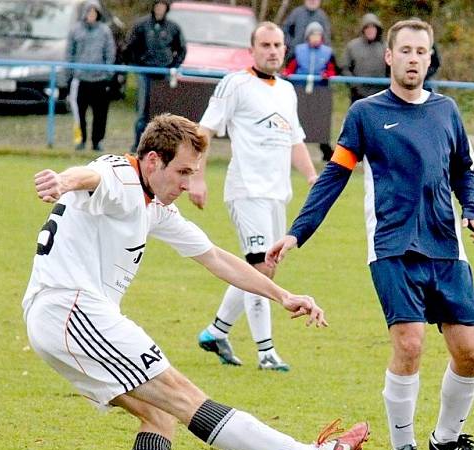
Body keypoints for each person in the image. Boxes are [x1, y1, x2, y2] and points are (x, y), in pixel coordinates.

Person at [23, 113, 369, 450]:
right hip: (73, 311)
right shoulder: (123, 177)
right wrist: (61, 180)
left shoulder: (153, 204)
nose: (188, 183)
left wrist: (282, 295)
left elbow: (215, 257)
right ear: (152, 161)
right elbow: (90, 175)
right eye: (183, 171)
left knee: (159, 416)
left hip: (59, 317)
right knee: (187, 399)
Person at [267, 20, 474, 450]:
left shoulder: (447, 111)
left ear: (430, 59)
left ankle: (447, 439)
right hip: (391, 245)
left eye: (421, 52)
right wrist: (298, 231)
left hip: (446, 246)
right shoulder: (367, 115)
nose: (413, 59)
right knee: (409, 344)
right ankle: (403, 445)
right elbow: (334, 176)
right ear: (389, 57)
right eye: (405, 51)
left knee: (470, 350)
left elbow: (463, 170)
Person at [189, 22, 318, 372]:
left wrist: (312, 177)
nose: (273, 50)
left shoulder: (288, 91)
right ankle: (266, 353)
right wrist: (197, 178)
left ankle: (216, 332)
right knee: (262, 267)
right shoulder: (236, 84)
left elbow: (295, 140)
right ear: (252, 48)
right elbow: (204, 130)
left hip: (278, 194)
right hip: (247, 190)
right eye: (265, 44)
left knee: (263, 268)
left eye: (278, 44)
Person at [123, 0, 186, 152]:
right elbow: (129, 46)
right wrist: (137, 64)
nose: (160, 9)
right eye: (158, 6)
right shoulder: (141, 25)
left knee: (161, 112)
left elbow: (181, 49)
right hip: (145, 73)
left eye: (163, 6)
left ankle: (160, 146)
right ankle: (138, 145)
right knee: (142, 112)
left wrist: (173, 65)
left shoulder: (173, 27)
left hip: (163, 74)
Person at [282, 21, 338, 161]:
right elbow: (291, 67)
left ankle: (325, 151)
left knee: (320, 122)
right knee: (297, 119)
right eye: (313, 35)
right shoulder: (298, 50)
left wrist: (327, 75)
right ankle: (290, 149)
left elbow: (332, 69)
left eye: (318, 35)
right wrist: (288, 73)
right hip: (300, 89)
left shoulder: (327, 52)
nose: (316, 37)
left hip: (320, 92)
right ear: (308, 36)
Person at [65, 0, 116, 151]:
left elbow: (110, 52)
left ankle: (97, 141)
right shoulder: (75, 30)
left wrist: (108, 73)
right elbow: (69, 53)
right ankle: (81, 139)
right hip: (81, 80)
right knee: (79, 113)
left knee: (100, 114)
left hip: (99, 80)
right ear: (84, 13)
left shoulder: (105, 31)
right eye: (89, 12)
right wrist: (70, 73)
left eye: (94, 12)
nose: (91, 15)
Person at [340, 13, 388, 104]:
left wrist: (388, 85)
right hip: (358, 95)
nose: (370, 30)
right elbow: (344, 67)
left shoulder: (386, 47)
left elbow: (393, 69)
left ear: (377, 29)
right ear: (363, 29)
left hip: (381, 94)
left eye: (373, 27)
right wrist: (354, 84)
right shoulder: (352, 46)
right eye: (367, 27)